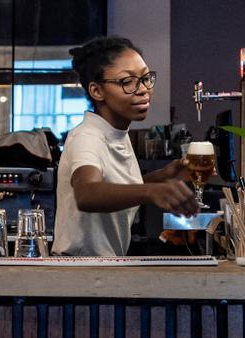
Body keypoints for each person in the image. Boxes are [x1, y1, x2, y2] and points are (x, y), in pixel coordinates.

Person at [53, 36, 197, 257]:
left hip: (102, 267)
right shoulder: (87, 136)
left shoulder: (117, 133)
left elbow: (114, 185)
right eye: (127, 82)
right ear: (97, 91)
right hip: (79, 271)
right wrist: (151, 191)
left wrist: (162, 177)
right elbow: (86, 193)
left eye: (146, 78)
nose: (143, 90)